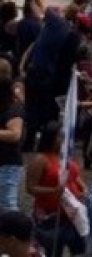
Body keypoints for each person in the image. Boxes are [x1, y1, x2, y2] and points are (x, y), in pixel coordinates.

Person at [27, 121, 85, 257]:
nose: (63, 140)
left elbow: (75, 177)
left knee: (79, 248)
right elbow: (30, 188)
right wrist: (54, 191)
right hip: (50, 216)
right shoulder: (41, 160)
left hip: (71, 214)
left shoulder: (66, 158)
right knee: (52, 250)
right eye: (60, 136)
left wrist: (83, 188)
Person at [0, 77, 23, 211]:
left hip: (8, 163)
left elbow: (15, 134)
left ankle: (12, 231)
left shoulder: (13, 109)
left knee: (8, 204)